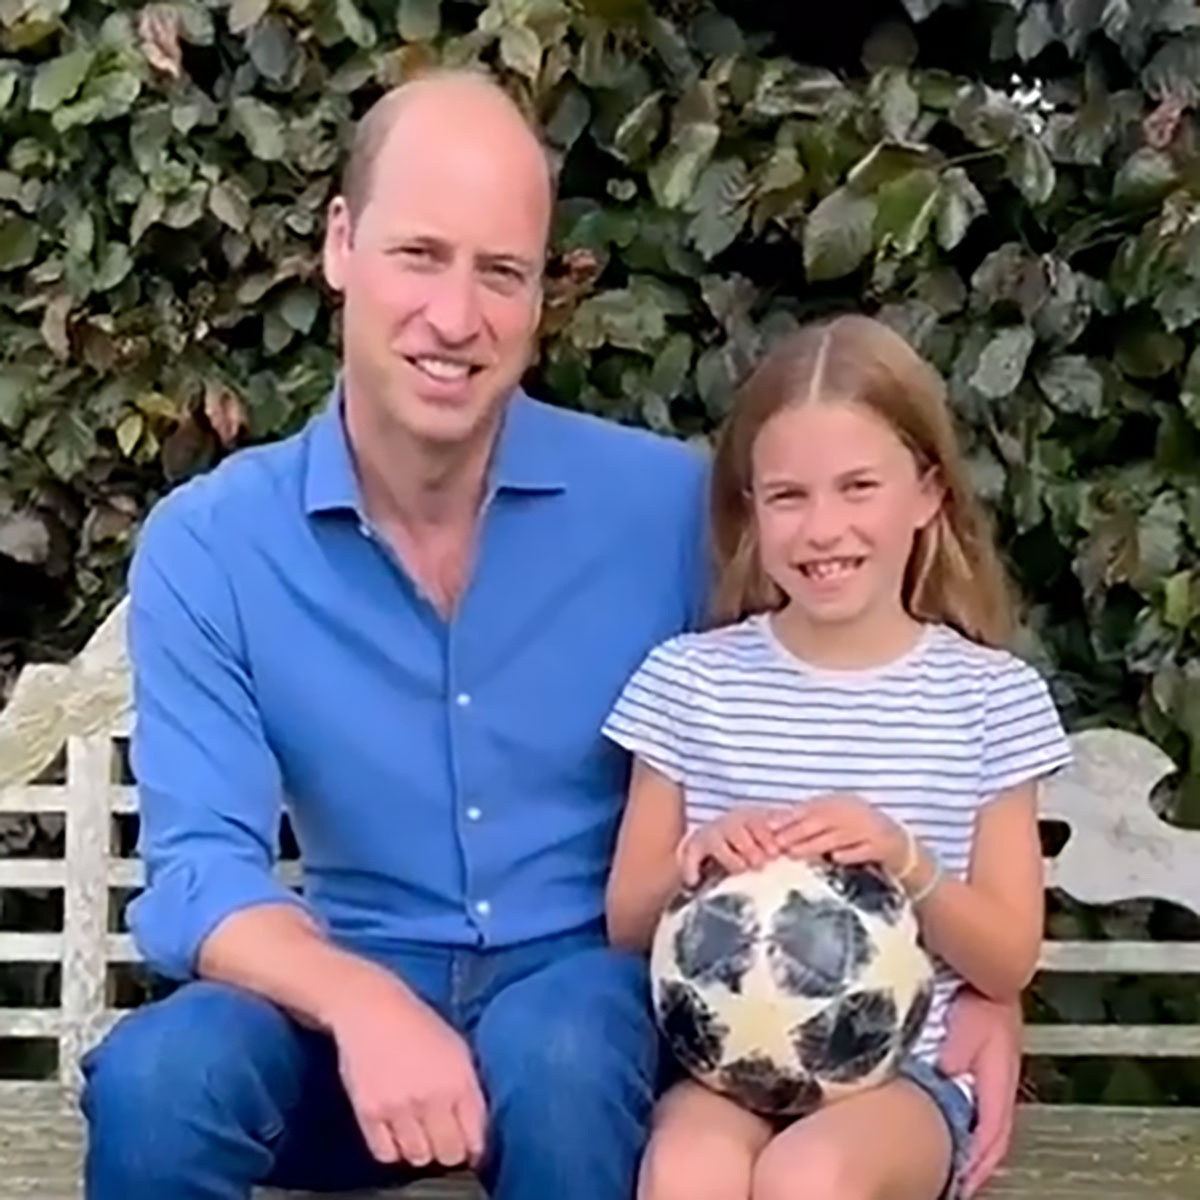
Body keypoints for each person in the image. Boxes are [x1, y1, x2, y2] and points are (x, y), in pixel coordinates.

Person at [78, 68, 1027, 1200]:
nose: (456, 316)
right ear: (340, 243)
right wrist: (364, 1003)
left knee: (562, 1047)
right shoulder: (215, 545)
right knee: (157, 1080)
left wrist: (975, 994)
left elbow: (820, 722)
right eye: (419, 255)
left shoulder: (669, 509)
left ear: (542, 296)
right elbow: (199, 875)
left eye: (502, 273)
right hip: (350, 1025)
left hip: (589, 1010)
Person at [602, 314, 1070, 1200]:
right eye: (788, 496)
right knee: (685, 1171)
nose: (824, 529)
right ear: (750, 511)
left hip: (901, 1080)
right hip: (724, 1069)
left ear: (928, 493)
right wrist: (691, 863)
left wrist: (906, 861)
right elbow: (627, 919)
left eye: (859, 487)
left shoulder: (988, 698)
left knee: (808, 1178)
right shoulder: (690, 681)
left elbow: (1008, 958)